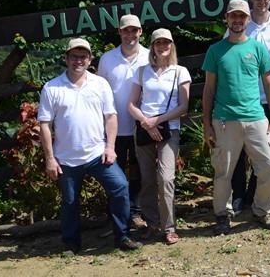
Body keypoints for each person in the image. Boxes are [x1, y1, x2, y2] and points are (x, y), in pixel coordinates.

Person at [38, 38, 143, 255]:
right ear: (66, 58)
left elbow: (111, 117)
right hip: (66, 158)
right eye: (74, 56)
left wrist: (110, 147)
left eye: (83, 56)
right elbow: (45, 125)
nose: (79, 60)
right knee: (70, 202)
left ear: (90, 59)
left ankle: (122, 236)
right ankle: (71, 244)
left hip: (97, 153)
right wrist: (50, 158)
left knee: (120, 187)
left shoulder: (100, 84)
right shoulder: (52, 88)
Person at [202, 0, 270, 235]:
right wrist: (207, 124)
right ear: (226, 18)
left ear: (248, 19)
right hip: (225, 120)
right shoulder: (216, 50)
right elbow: (208, 89)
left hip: (256, 117)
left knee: (269, 164)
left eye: (242, 16)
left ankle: (261, 210)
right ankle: (223, 215)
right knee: (223, 171)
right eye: (233, 16)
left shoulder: (257, 48)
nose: (237, 20)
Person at [227, 0, 270, 216]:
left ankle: (256, 195)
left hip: (267, 100)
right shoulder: (241, 23)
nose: (262, 1)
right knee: (238, 152)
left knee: (266, 151)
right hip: (241, 100)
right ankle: (238, 196)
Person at [127, 28, 191, 245]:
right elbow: (131, 104)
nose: (162, 47)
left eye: (166, 43)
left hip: (168, 129)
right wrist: (146, 122)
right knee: (147, 179)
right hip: (144, 129)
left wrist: (158, 121)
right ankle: (152, 224)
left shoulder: (180, 71)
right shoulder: (142, 71)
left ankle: (169, 227)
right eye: (158, 43)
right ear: (152, 46)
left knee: (166, 178)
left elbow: (183, 106)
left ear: (172, 45)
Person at [97, 14, 149, 230]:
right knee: (112, 174)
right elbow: (99, 92)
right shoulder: (107, 59)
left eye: (134, 30)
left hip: (141, 125)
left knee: (138, 174)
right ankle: (115, 218)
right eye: (125, 30)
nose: (130, 34)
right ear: (119, 32)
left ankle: (135, 214)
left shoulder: (149, 56)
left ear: (140, 32)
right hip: (113, 129)